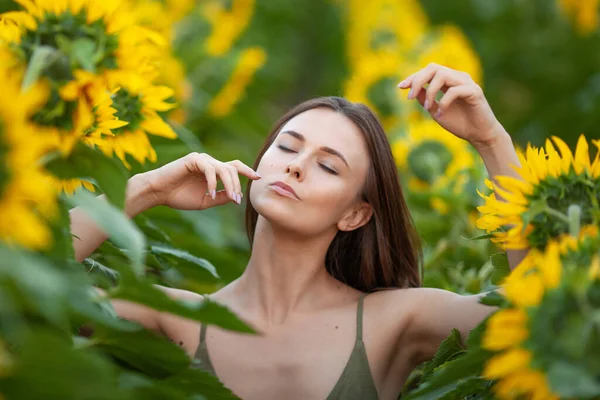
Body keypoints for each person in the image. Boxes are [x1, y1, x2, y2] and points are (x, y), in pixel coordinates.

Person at [70, 64, 525, 400]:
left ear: (356, 215)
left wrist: (491, 141)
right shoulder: (178, 317)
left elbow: (533, 319)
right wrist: (145, 189)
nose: (295, 164)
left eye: (328, 165)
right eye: (287, 146)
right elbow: (26, 291)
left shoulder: (394, 320)